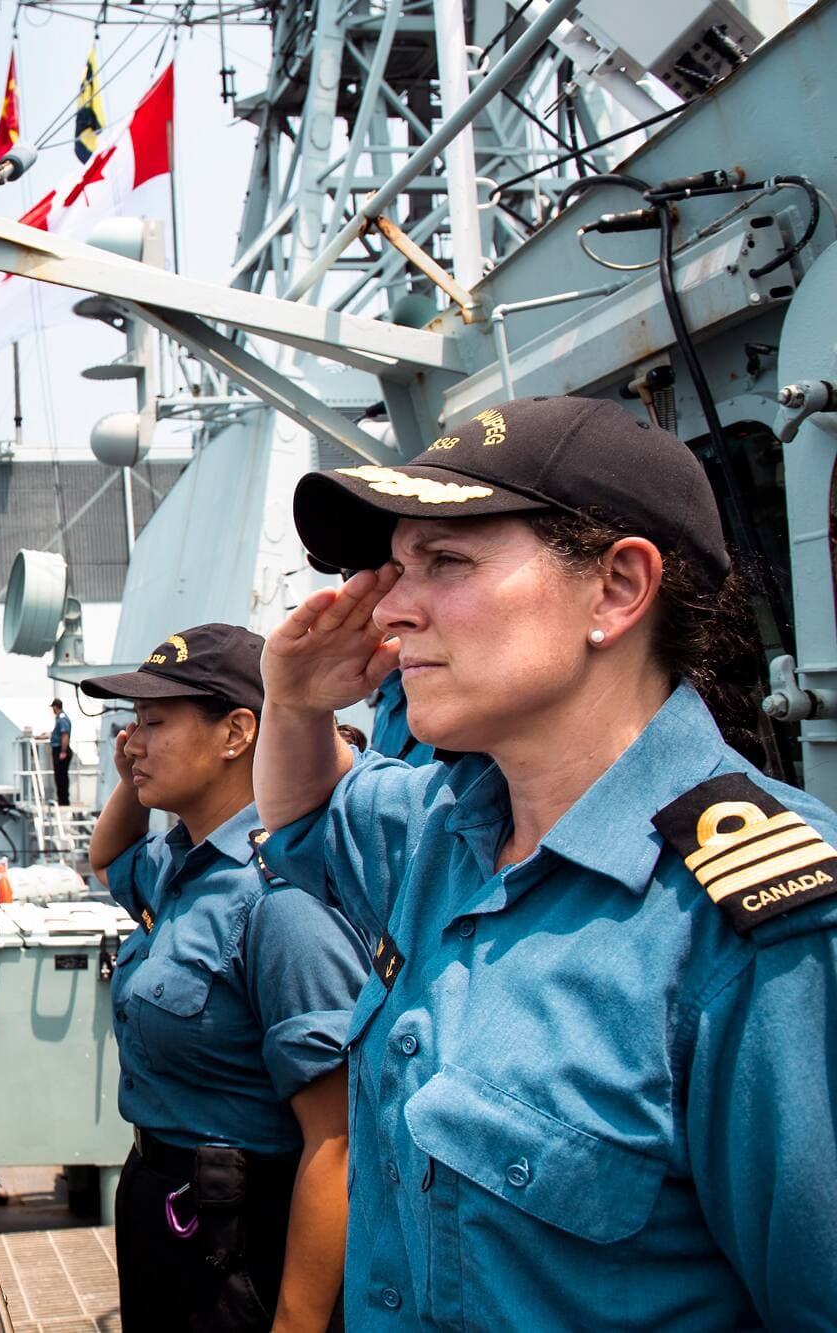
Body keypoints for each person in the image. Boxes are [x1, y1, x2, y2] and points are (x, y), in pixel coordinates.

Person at [253, 395, 837, 1328]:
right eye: (394, 569)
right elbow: (306, 822)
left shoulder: (766, 933)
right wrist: (291, 705)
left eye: (445, 562)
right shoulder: (448, 826)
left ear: (616, 589)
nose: (392, 611)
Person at [85, 623, 365, 1332]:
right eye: (130, 724)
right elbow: (107, 857)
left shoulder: (280, 898)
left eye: (153, 722)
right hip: (166, 1211)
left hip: (238, 1242)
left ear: (238, 732)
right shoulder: (181, 864)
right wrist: (131, 783)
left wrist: (296, 1323)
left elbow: (336, 1140)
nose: (131, 742)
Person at [49, 698, 73, 807]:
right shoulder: (60, 718)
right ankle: (62, 799)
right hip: (59, 749)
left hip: (60, 749)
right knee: (60, 775)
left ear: (55, 706)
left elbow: (65, 735)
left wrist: (63, 751)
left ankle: (63, 801)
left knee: (61, 775)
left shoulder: (62, 719)